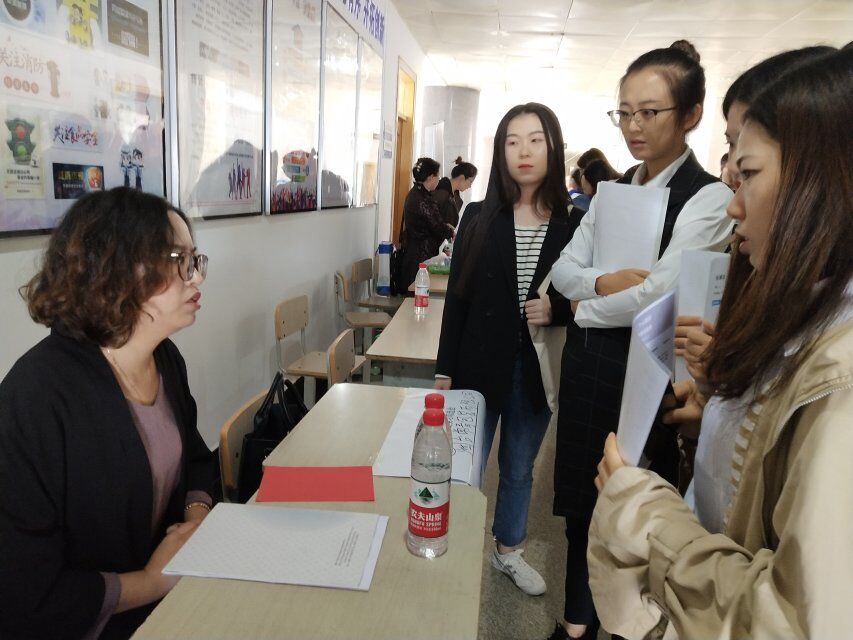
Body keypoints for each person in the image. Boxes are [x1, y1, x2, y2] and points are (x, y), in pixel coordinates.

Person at [589, 46, 852, 640]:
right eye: (624, 112)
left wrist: (643, 513)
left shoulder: (839, 375)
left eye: (748, 169)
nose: (733, 195)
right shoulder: (799, 305)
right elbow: (569, 273)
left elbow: (794, 616)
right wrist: (711, 411)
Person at [547, 40, 734, 640]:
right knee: (580, 503)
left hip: (646, 376)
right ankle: (576, 625)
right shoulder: (615, 188)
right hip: (589, 368)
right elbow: (562, 270)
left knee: (633, 510)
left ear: (691, 114)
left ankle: (628, 627)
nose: (633, 126)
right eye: (624, 112)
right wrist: (602, 283)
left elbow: (657, 296)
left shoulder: (709, 197)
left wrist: (583, 311)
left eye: (649, 112)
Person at [0, 187, 218, 639]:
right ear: (116, 270)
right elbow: (25, 593)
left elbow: (196, 457)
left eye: (195, 260)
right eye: (178, 260)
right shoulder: (35, 397)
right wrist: (152, 582)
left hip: (173, 602)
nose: (196, 277)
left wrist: (196, 521)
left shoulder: (165, 359)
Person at [435, 103, 581, 597]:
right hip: (477, 362)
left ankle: (508, 550)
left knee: (518, 468)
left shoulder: (574, 223)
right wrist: (444, 370)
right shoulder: (479, 215)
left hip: (535, 367)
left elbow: (590, 298)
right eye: (512, 141)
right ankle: (452, 543)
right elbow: (458, 299)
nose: (524, 151)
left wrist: (556, 311)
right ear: (500, 151)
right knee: (465, 464)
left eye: (536, 140)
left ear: (553, 147)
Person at [399, 157, 454, 291]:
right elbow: (437, 227)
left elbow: (432, 222)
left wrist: (445, 226)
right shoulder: (421, 199)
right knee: (420, 294)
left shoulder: (416, 193)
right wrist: (450, 231)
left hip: (417, 252)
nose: (438, 179)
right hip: (421, 256)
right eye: (437, 176)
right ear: (430, 177)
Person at [432, 156, 478, 227]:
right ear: (462, 178)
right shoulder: (439, 192)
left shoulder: (455, 197)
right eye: (470, 181)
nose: (470, 186)